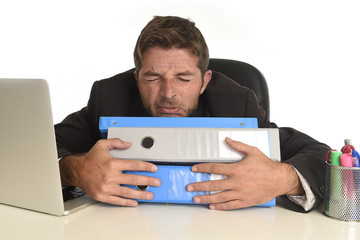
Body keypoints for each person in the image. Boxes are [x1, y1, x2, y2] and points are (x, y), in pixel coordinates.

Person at [56, 16, 330, 212]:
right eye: (152, 78)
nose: (168, 93)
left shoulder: (236, 103)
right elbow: (36, 149)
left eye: (184, 78)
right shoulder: (110, 96)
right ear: (136, 77)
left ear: (205, 81)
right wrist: (73, 171)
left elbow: (321, 155)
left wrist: (281, 178)